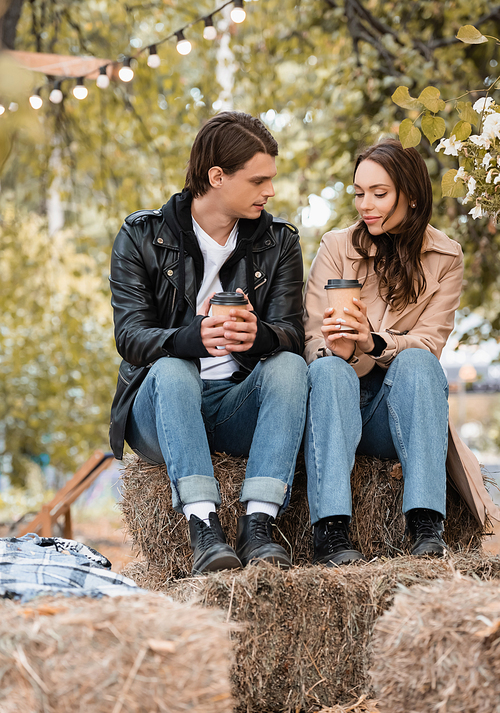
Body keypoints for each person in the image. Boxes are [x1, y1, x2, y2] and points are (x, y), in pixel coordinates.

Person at [109, 112, 308, 575]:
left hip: (237, 404)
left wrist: (259, 336)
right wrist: (190, 337)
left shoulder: (279, 243)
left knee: (290, 366)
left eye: (271, 180)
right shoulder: (141, 236)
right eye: (259, 180)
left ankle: (258, 524)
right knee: (174, 366)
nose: (270, 191)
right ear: (216, 177)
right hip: (161, 409)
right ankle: (204, 527)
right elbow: (131, 338)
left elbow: (293, 335)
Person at [303, 137, 500, 566]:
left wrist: (374, 341)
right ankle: (331, 532)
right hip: (338, 406)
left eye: (379, 193)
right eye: (359, 193)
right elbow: (311, 340)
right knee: (328, 371)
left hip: (397, 414)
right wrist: (337, 349)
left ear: (410, 196)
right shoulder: (337, 247)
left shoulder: (446, 257)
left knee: (418, 361)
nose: (365, 205)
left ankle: (426, 524)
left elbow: (430, 342)